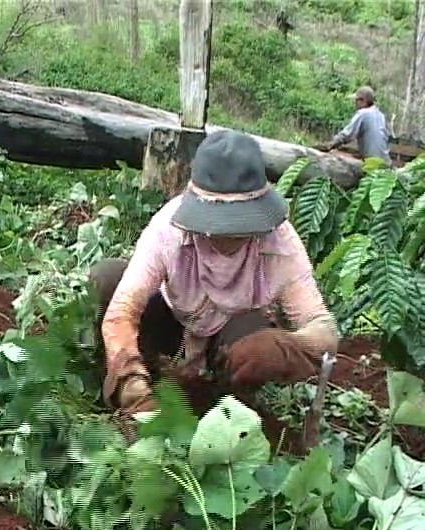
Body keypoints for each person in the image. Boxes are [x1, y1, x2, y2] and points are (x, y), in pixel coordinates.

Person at [90, 131, 339, 417]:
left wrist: (287, 347)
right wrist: (131, 385)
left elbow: (324, 329)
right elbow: (122, 311)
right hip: (174, 323)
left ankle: (227, 402)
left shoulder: (280, 241)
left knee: (256, 339)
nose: (228, 234)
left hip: (232, 340)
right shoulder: (167, 230)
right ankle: (138, 378)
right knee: (108, 277)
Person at [318, 86, 392, 167]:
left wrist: (330, 145)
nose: (355, 103)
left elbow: (347, 135)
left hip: (373, 163)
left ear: (363, 101)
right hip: (386, 162)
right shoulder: (380, 115)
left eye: (356, 100)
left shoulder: (363, 113)